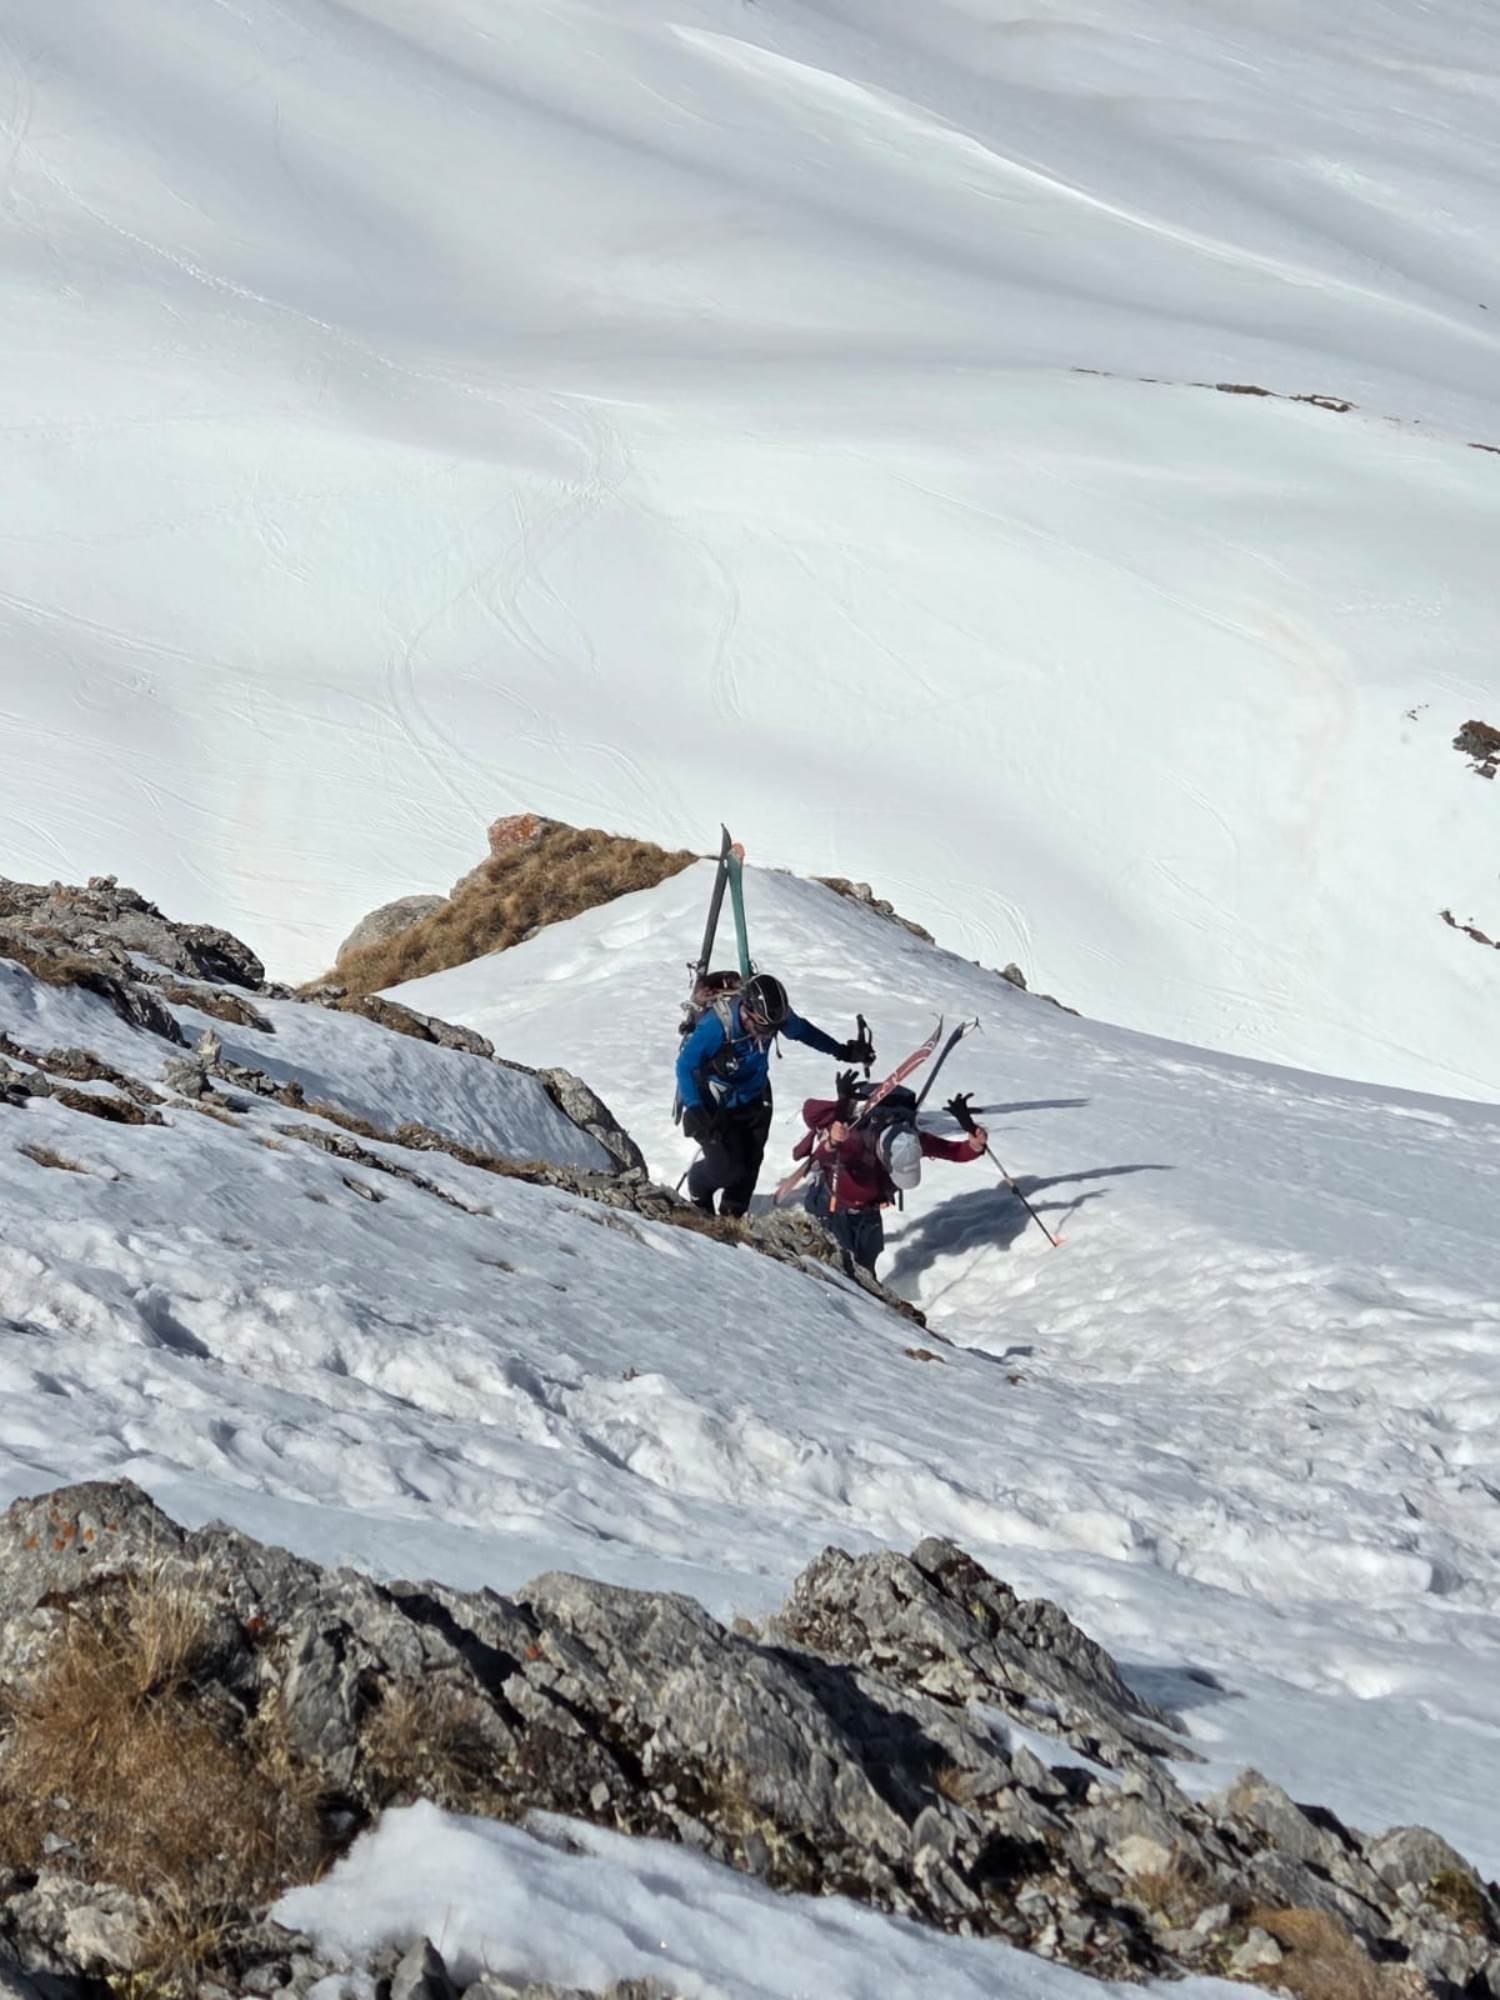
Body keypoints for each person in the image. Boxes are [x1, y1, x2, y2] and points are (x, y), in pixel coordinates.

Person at [678, 973, 873, 1217]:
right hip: (716, 1105)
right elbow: (685, 1065)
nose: (767, 1034)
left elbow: (805, 1032)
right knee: (725, 1169)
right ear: (747, 1011)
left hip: (756, 1097)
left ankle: (732, 1216)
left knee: (750, 1163)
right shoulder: (715, 1027)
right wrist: (694, 1106)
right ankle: (698, 1188)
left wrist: (842, 1052)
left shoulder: (774, 1018)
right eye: (762, 1028)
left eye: (773, 1029)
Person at [795, 1078, 988, 1276]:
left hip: (869, 1215)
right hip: (833, 1211)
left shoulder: (912, 1141)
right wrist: (834, 1135)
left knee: (864, 1272)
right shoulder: (854, 1142)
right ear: (885, 1154)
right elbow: (821, 1157)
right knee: (832, 1272)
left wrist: (974, 1145)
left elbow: (953, 1151)